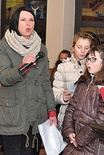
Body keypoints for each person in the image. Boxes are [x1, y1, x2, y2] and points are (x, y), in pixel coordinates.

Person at [0, 7, 57, 155]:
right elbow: (4, 78)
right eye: (23, 20)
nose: (28, 24)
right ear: (15, 23)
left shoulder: (41, 48)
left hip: (36, 116)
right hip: (13, 116)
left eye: (31, 20)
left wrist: (51, 111)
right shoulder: (4, 46)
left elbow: (45, 82)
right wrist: (22, 67)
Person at [62, 46, 104, 155]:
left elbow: (102, 119)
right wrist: (69, 130)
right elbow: (71, 108)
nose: (88, 62)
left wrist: (80, 138)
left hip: (95, 145)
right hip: (75, 141)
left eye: (93, 59)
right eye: (88, 59)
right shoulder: (83, 82)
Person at [52, 32, 93, 132]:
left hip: (87, 118)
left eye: (86, 48)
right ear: (73, 47)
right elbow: (55, 92)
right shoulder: (63, 67)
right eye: (79, 47)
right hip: (67, 116)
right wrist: (62, 97)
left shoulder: (94, 67)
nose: (83, 51)